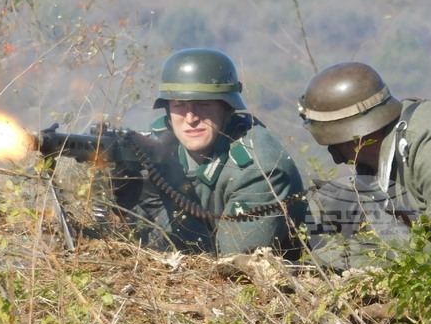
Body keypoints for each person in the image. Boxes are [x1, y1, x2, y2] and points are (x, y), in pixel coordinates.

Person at [297, 61, 431, 268]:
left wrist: (341, 255)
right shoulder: (376, 157)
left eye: (331, 142)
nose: (333, 153)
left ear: (347, 136)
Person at [114, 48, 306, 257]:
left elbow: (229, 267)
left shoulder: (260, 168)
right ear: (168, 112)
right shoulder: (157, 145)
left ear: (228, 108)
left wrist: (160, 204)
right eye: (179, 105)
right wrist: (115, 195)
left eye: (203, 104)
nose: (191, 118)